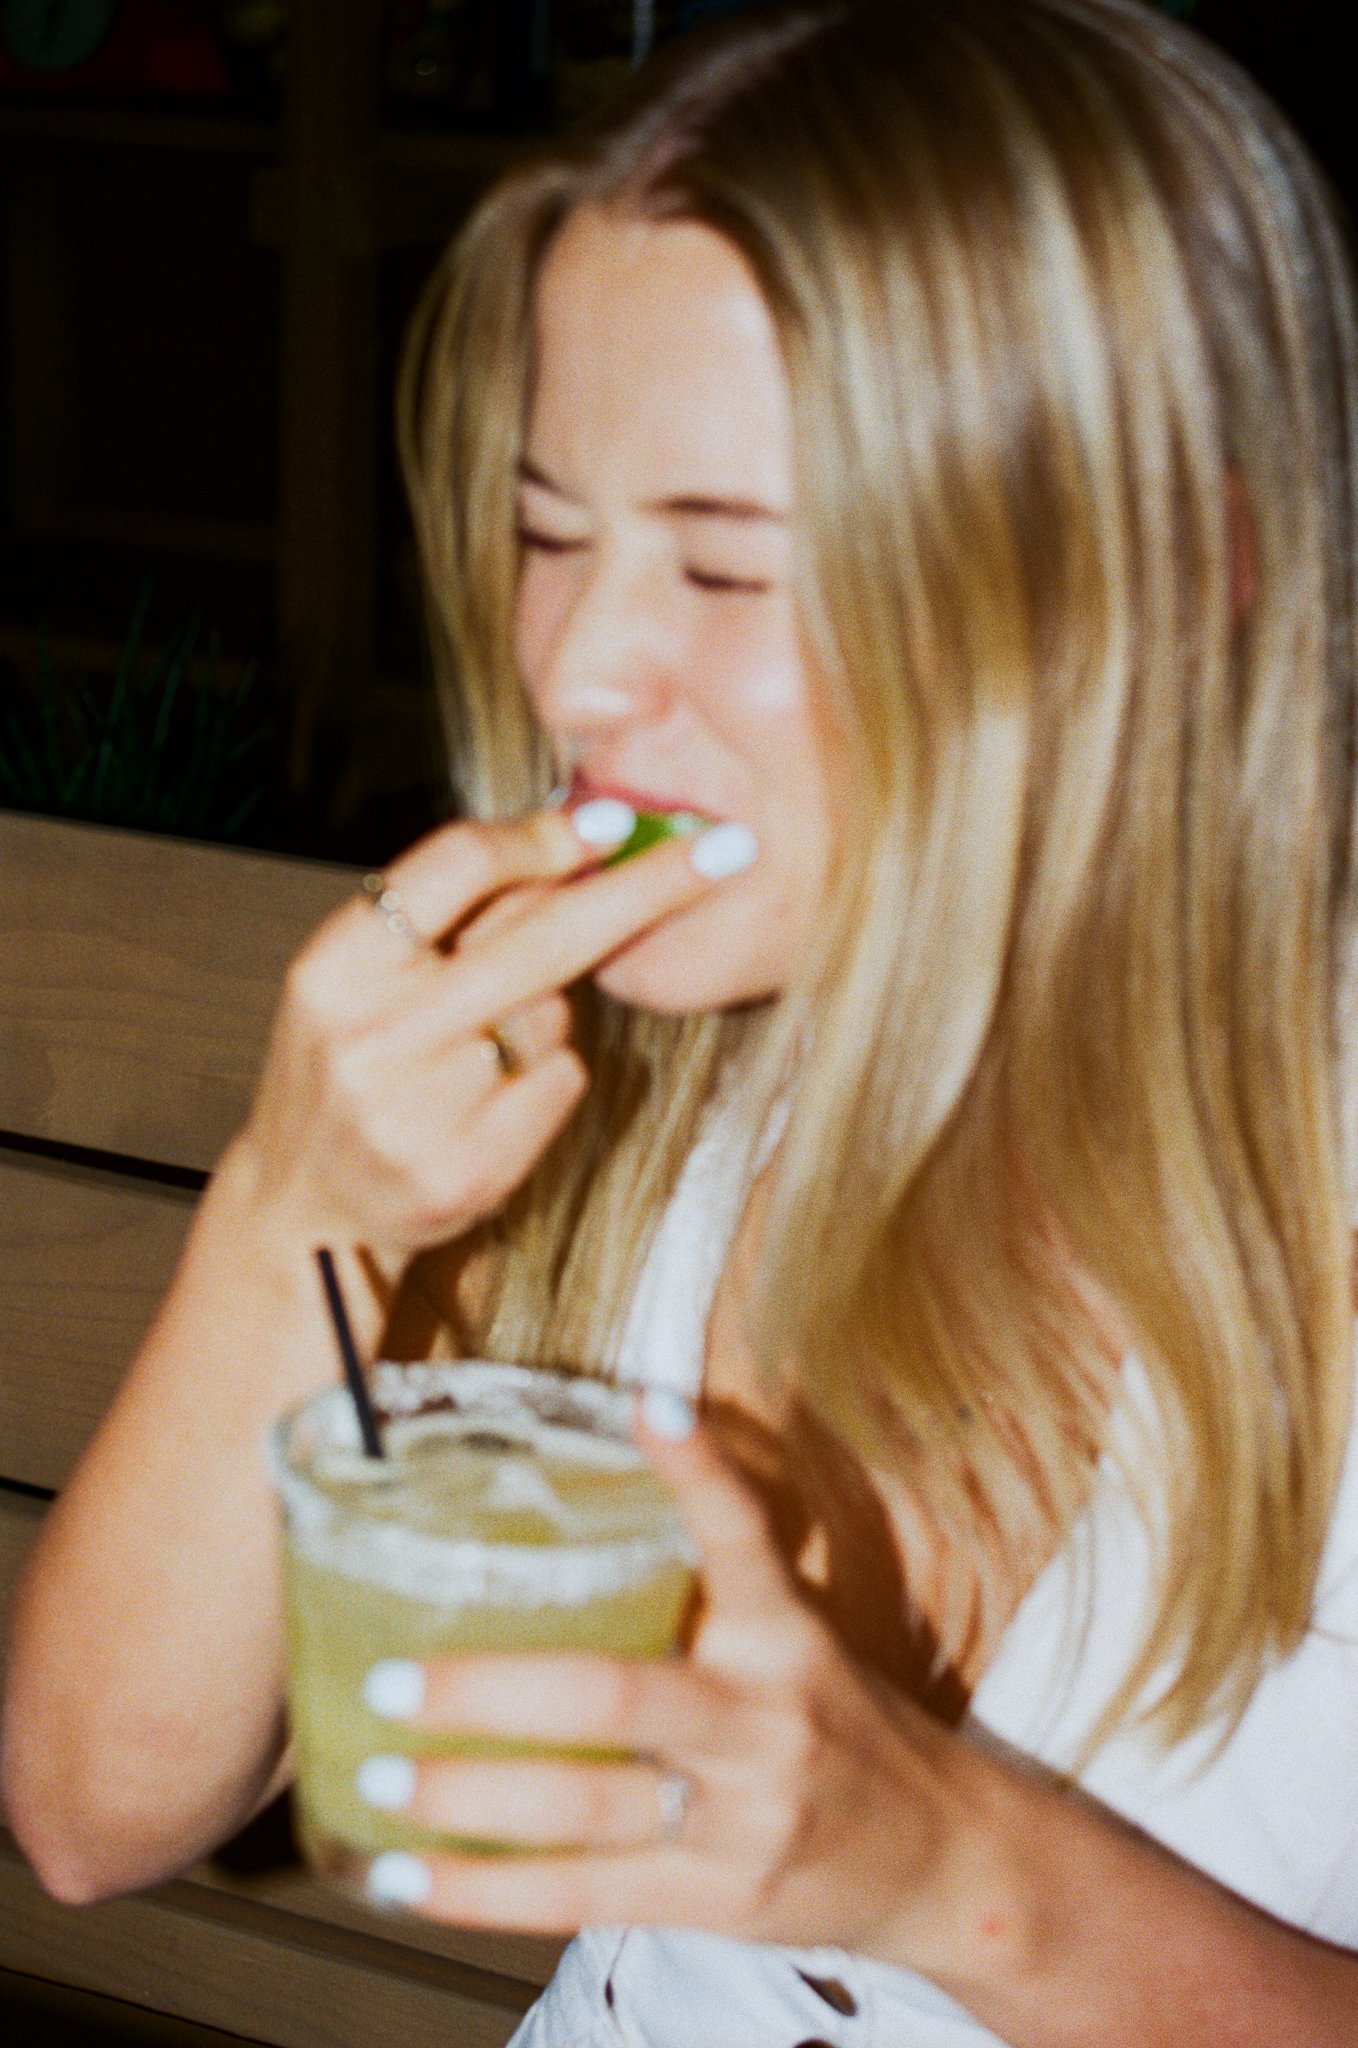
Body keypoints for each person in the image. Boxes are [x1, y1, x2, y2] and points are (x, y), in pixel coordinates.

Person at [6, 0, 1358, 2040]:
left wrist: (937, 1862)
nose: (580, 663)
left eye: (726, 568)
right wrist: (297, 1201)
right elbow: (96, 1812)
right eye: (549, 531)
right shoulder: (644, 1081)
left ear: (1172, 580)